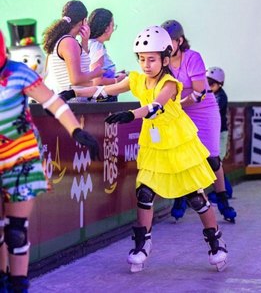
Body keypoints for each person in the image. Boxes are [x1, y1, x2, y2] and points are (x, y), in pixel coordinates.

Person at [59, 26, 228, 272]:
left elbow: (155, 107)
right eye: (141, 59)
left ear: (165, 59)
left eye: (151, 59)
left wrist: (130, 114)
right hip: (154, 144)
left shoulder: (170, 83)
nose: (146, 64)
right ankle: (141, 246)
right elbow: (104, 90)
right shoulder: (137, 79)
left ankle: (216, 243)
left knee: (195, 197)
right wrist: (71, 92)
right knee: (145, 194)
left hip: (178, 143)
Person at [0, 30, 99, 292]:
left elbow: (54, 103)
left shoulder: (19, 74)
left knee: (15, 230)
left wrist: (75, 130)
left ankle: (18, 284)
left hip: (21, 160)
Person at [161, 20, 236, 223]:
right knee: (182, 156)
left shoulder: (192, 58)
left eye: (168, 42)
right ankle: (180, 200)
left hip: (204, 110)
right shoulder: (164, 61)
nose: (164, 46)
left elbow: (200, 92)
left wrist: (178, 105)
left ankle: (223, 202)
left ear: (180, 41)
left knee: (212, 159)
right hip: (182, 111)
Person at [43, 0, 104, 99]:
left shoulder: (64, 41)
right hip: (71, 100)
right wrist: (95, 73)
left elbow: (80, 66)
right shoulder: (69, 42)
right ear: (84, 20)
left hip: (70, 99)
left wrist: (84, 41)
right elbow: (75, 79)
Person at [87, 8, 127, 100]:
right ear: (106, 28)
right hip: (103, 100)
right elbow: (97, 81)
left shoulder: (90, 44)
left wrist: (114, 74)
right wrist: (118, 80)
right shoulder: (97, 48)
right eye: (113, 26)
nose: (113, 30)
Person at [206, 67, 233, 200]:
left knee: (216, 163)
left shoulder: (221, 97)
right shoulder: (207, 94)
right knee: (212, 163)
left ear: (220, 84)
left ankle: (225, 192)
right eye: (207, 83)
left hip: (219, 134)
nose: (209, 87)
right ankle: (223, 191)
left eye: (212, 84)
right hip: (209, 133)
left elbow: (211, 111)